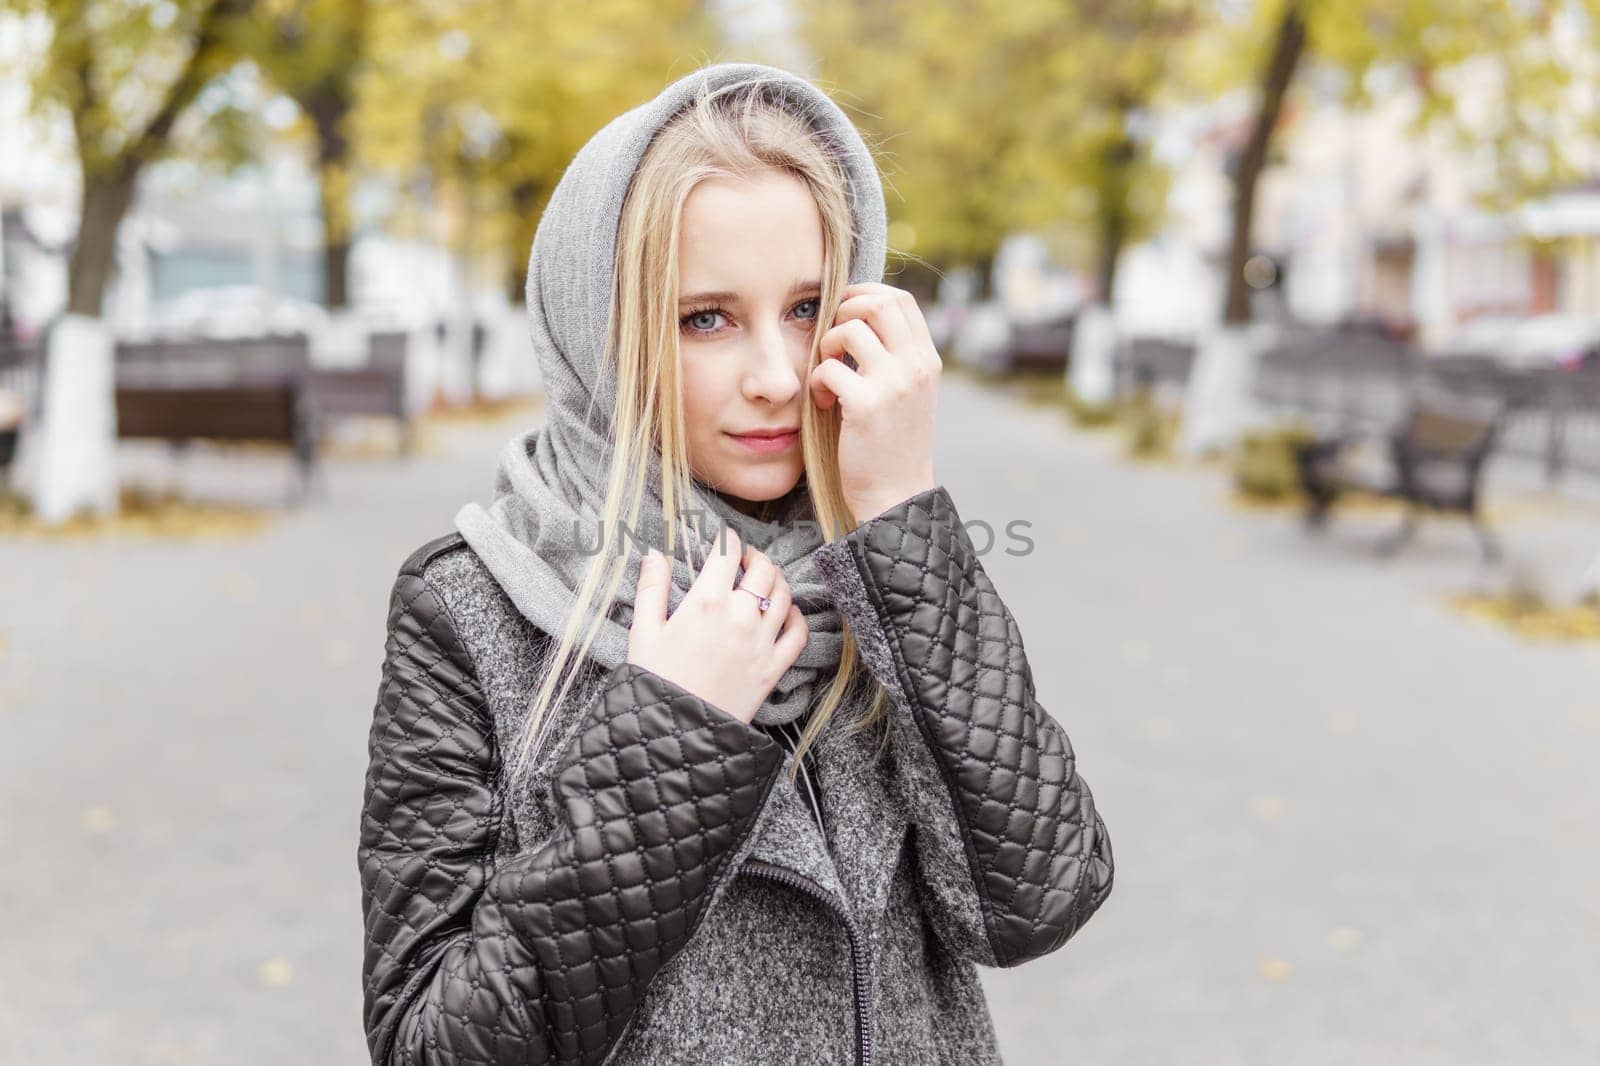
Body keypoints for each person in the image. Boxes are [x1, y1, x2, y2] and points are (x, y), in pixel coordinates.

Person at [357, 61, 1113, 1066]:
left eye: (807, 309)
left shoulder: (885, 569)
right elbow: (434, 1047)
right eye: (704, 317)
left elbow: (1035, 901)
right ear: (606, 330)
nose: (775, 377)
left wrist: (899, 513)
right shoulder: (469, 606)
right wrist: (673, 732)